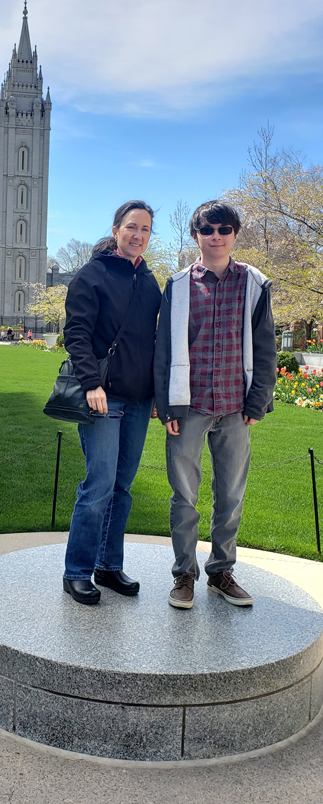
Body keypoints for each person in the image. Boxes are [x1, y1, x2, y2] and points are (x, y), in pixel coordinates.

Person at [154, 200, 277, 610]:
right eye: (208, 230)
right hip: (189, 405)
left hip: (235, 406)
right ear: (196, 236)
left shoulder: (255, 284)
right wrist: (168, 405)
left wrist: (258, 402)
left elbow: (264, 349)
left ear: (235, 234)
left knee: (230, 496)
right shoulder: (179, 284)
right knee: (184, 496)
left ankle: (221, 572)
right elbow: (163, 348)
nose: (217, 237)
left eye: (224, 230)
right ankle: (184, 575)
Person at [62, 200, 162, 604]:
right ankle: (77, 571)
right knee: (99, 485)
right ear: (117, 229)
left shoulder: (151, 282)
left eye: (146, 230)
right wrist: (91, 383)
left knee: (122, 488)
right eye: (131, 227)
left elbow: (153, 343)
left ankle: (108, 564)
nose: (138, 235)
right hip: (103, 396)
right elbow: (77, 333)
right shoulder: (93, 274)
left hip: (139, 400)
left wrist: (156, 395)